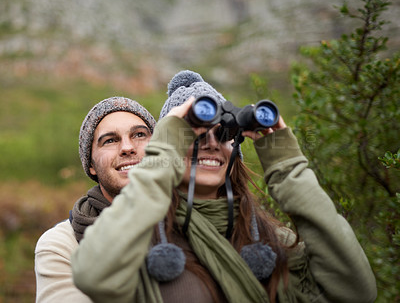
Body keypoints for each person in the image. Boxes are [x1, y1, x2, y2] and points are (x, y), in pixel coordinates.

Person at [71, 70, 377, 303]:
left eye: (224, 134)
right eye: (194, 134)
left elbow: (357, 292)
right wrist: (161, 157)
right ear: (169, 146)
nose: (211, 144)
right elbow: (93, 275)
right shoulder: (139, 242)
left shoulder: (273, 242)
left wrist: (289, 168)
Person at [34, 97, 156, 302]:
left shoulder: (193, 223)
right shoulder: (62, 245)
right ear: (91, 165)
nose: (127, 147)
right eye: (110, 140)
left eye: (139, 135)